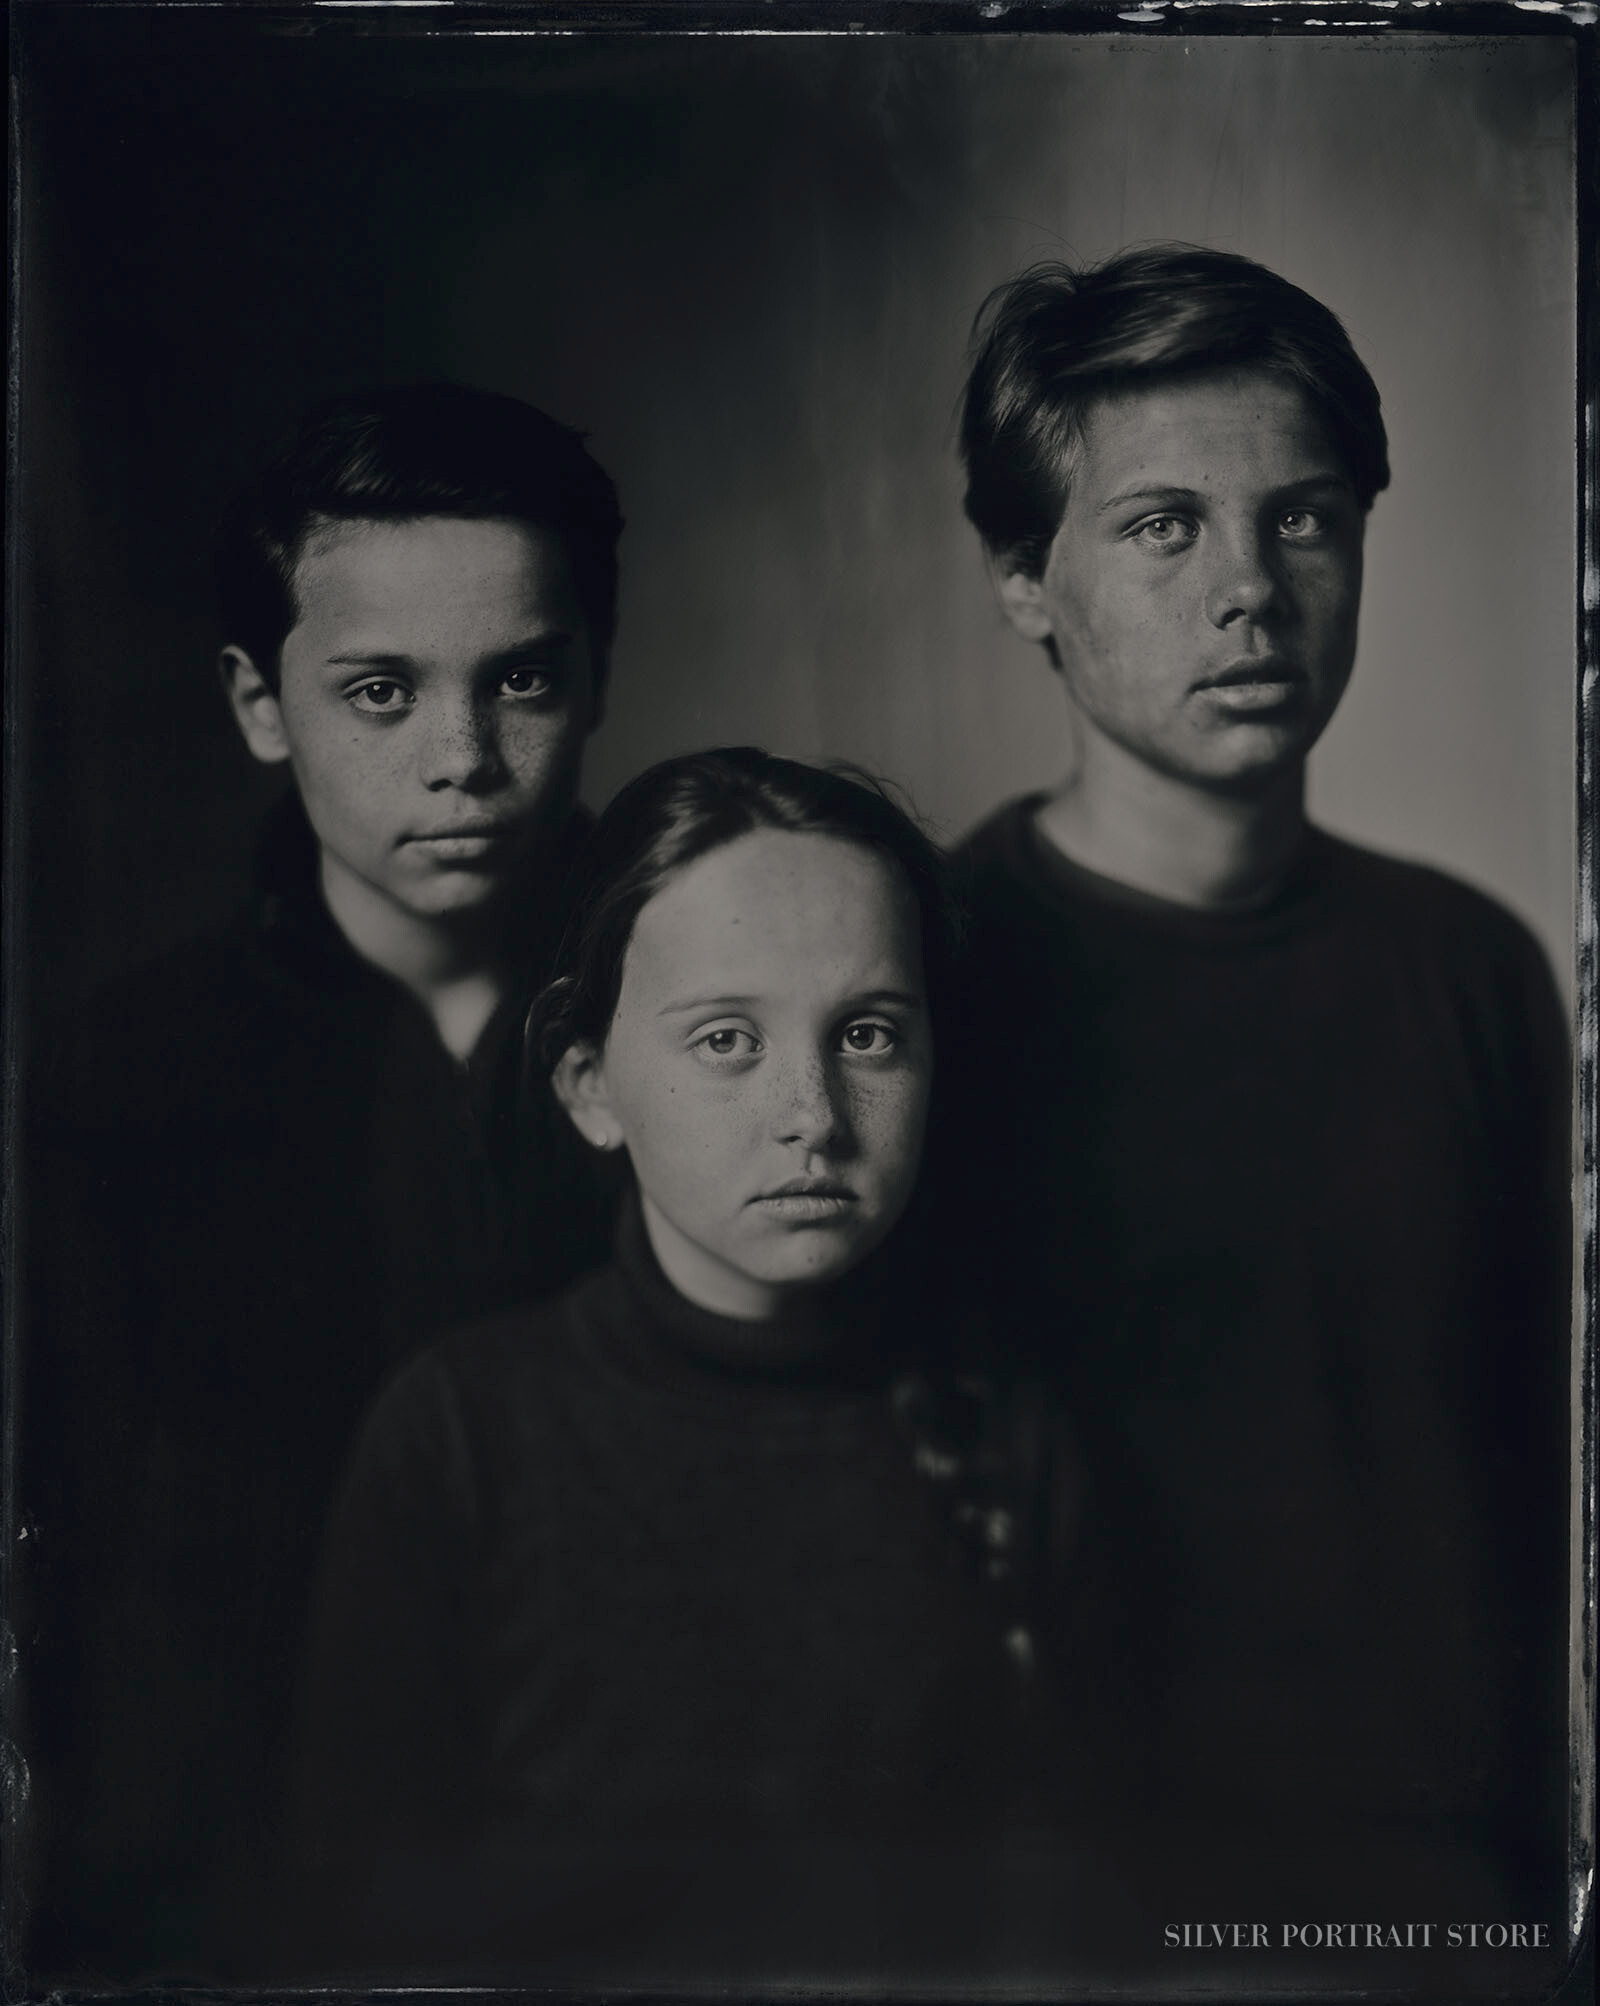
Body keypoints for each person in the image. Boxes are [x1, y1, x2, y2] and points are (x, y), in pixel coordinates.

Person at [942, 246, 1571, 1927]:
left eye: (1303, 519)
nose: (1251, 589)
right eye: (1163, 526)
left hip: (1435, 1902)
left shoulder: (1477, 975)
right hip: (1050, 1913)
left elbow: (1539, 1500)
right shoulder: (917, 981)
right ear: (1024, 575)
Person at [288, 749, 1099, 1986]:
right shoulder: (460, 1435)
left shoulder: (1008, 1429)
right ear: (591, 1084)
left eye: (868, 1033)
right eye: (727, 1039)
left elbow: (1064, 1910)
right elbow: (362, 1922)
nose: (813, 1114)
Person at [22, 383, 624, 1975]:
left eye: (523, 682)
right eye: (381, 691)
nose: (466, 759)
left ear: (599, 673)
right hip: (256, 1909)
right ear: (258, 703)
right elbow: (77, 1580)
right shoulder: (118, 1085)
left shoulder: (739, 1023)